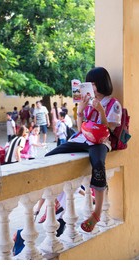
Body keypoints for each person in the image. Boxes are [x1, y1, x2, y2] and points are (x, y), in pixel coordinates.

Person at [45, 67, 122, 233]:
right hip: (83, 138)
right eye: (89, 84)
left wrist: (101, 111)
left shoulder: (113, 104)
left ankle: (97, 213)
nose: (92, 88)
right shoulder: (86, 102)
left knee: (99, 164)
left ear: (102, 83)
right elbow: (80, 129)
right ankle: (53, 200)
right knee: (51, 155)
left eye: (94, 84)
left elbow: (110, 129)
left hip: (101, 140)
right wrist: (80, 111)